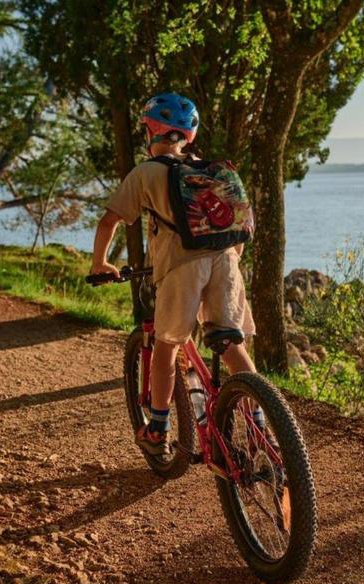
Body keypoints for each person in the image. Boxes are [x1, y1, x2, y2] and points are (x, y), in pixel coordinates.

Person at [90, 92, 258, 456]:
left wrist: (100, 264)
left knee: (166, 347)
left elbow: (110, 221)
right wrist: (227, 262)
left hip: (182, 270)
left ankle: (158, 430)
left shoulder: (147, 172)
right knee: (231, 344)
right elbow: (238, 228)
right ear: (189, 137)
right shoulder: (213, 172)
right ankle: (266, 426)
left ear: (150, 132)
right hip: (227, 261)